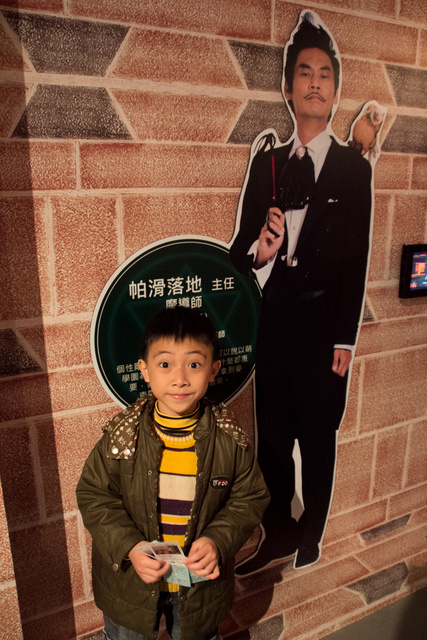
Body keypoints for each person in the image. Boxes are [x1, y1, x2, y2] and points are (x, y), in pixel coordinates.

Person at [230, 11, 372, 573]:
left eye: (325, 75)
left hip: (323, 331)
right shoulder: (266, 163)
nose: (315, 83)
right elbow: (239, 251)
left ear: (334, 92)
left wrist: (345, 339)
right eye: (305, 73)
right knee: (272, 438)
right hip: (274, 324)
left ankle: (311, 533)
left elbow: (356, 260)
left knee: (317, 436)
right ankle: (279, 533)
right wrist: (261, 252)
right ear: (288, 89)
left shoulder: (352, 170)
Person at [76, 306, 269, 640]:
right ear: (145, 370)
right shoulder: (123, 436)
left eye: (194, 364)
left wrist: (218, 540)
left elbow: (249, 497)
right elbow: (94, 495)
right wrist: (130, 546)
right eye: (165, 365)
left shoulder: (228, 439)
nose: (180, 378)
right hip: (133, 580)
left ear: (213, 370)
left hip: (197, 582)